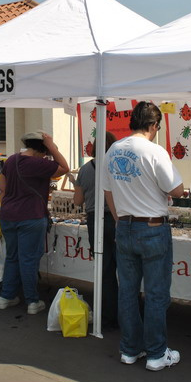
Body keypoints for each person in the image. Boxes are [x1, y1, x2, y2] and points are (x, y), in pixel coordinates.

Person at [103, 102, 184, 372]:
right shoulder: (154, 151)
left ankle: (130, 349)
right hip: (151, 227)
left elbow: (108, 192)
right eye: (157, 126)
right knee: (156, 294)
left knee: (127, 292)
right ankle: (156, 353)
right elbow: (179, 189)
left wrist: (118, 220)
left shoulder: (113, 149)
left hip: (124, 225)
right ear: (152, 125)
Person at [0, 131, 68, 314]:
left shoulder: (11, 160)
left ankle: (5, 297)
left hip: (8, 215)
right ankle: (32, 302)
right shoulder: (38, 163)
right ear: (43, 149)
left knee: (12, 257)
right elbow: (64, 167)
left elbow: (2, 189)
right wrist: (52, 146)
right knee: (28, 260)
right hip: (31, 216)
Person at [73, 131, 118, 329]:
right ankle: (127, 315)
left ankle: (107, 316)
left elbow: (77, 201)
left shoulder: (85, 169)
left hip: (95, 221)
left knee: (104, 270)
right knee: (126, 269)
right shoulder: (117, 166)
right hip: (117, 220)